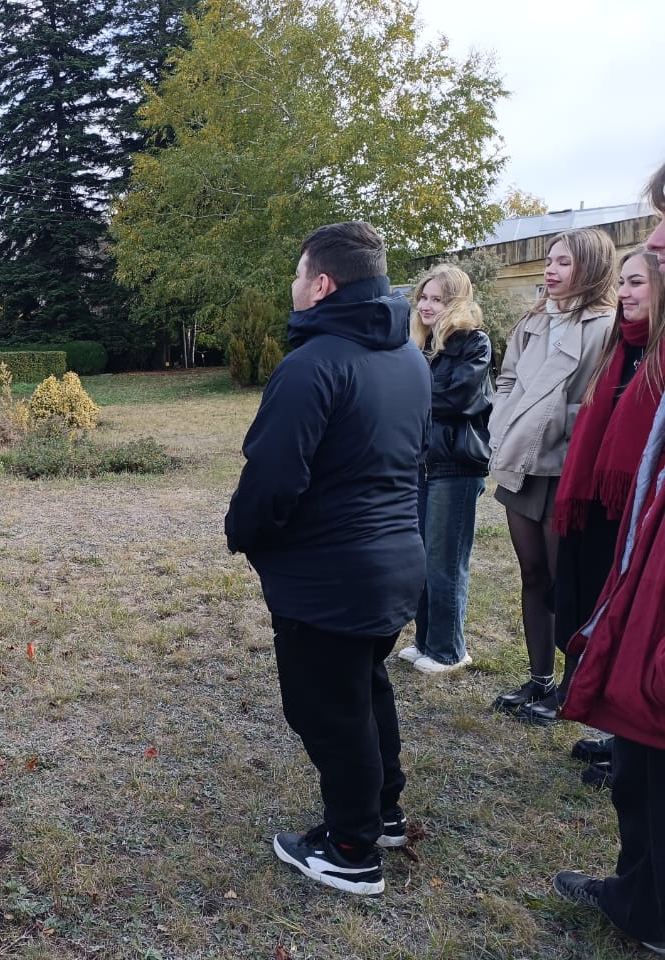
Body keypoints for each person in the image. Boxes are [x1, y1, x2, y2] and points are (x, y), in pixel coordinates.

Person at [225, 221, 430, 896]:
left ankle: (350, 848)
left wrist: (246, 532)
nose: (292, 288)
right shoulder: (408, 358)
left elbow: (273, 477)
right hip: (394, 564)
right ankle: (384, 812)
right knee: (365, 687)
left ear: (323, 283)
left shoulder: (314, 364)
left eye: (296, 275)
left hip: (332, 578)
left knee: (328, 710)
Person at [552, 167, 665, 955]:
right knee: (639, 760)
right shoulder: (635, 351)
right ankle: (640, 894)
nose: (653, 245)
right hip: (632, 549)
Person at [527, 249, 665, 753]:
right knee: (584, 600)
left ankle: (624, 738)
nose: (625, 294)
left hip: (637, 509)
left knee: (629, 620)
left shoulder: (659, 353)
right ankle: (611, 732)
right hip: (593, 502)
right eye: (624, 282)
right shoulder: (619, 347)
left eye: (638, 284)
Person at [487, 228, 616, 719]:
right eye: (549, 260)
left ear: (590, 266)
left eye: (564, 261)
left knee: (569, 580)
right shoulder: (533, 321)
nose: (551, 269)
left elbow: (605, 397)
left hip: (569, 467)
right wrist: (506, 420)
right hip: (524, 461)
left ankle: (570, 685)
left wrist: (561, 417)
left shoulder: (607, 324)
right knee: (533, 574)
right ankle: (539, 679)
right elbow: (508, 378)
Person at [395, 265, 493, 675]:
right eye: (423, 297)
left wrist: (412, 392)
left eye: (437, 299)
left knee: (446, 561)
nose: (426, 305)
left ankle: (449, 651)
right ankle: (425, 641)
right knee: (420, 558)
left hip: (456, 464)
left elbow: (459, 398)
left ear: (455, 302)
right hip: (422, 463)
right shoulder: (418, 344)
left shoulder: (474, 342)